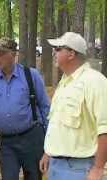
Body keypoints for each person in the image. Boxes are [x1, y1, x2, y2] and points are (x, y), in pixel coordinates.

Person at [39, 32, 107, 180]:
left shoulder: (95, 81)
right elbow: (57, 124)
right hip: (55, 166)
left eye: (58, 49)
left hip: (79, 169)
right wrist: (48, 153)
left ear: (71, 53)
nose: (54, 52)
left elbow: (105, 128)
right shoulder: (64, 82)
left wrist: (98, 168)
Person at [0, 37, 50, 180]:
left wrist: (49, 143)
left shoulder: (30, 75)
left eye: (1, 53)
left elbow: (45, 108)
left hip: (32, 139)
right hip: (7, 144)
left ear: (13, 54)